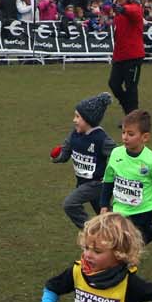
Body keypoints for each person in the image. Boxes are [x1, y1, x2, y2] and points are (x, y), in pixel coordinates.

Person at [102, 109, 152, 243]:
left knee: (132, 244)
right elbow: (108, 181)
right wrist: (104, 205)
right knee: (120, 243)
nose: (125, 137)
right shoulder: (116, 154)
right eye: (123, 132)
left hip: (142, 213)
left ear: (145, 137)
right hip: (119, 210)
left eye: (130, 134)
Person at [52, 92, 114, 229]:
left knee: (69, 204)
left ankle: (91, 231)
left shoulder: (102, 139)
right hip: (82, 184)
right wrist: (58, 156)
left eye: (77, 117)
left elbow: (118, 155)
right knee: (110, 222)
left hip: (97, 184)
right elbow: (65, 151)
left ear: (89, 119)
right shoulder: (74, 134)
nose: (74, 120)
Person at [107, 0, 146, 113]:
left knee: (131, 87)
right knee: (114, 84)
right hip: (120, 55)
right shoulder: (119, 13)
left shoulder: (134, 8)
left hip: (133, 55)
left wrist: (123, 9)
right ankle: (130, 111)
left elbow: (133, 11)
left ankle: (132, 115)